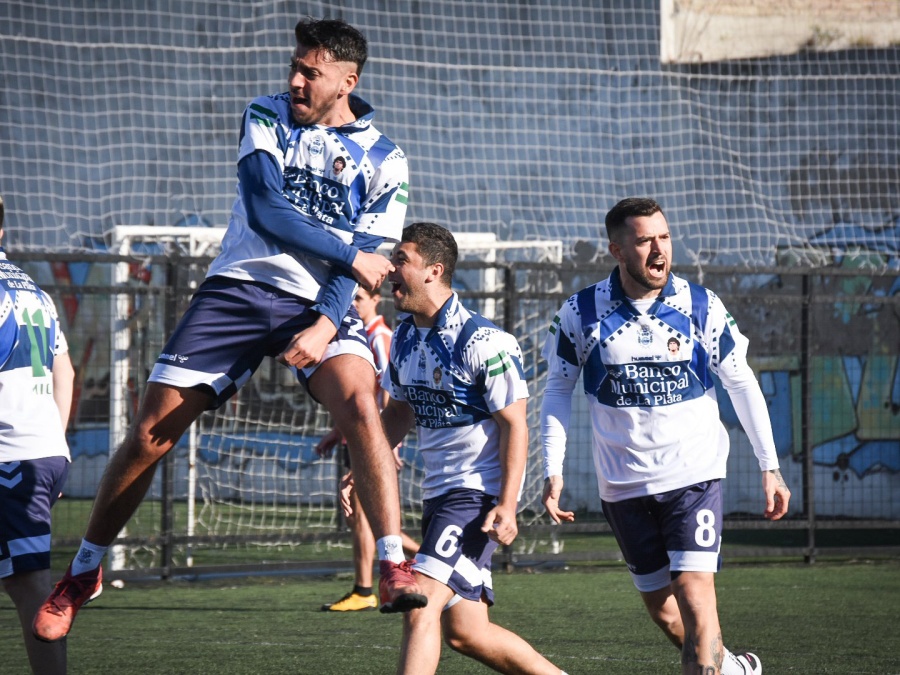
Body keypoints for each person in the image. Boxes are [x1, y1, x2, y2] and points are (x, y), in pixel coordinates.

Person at [33, 17, 427, 644]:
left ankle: (391, 563)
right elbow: (268, 213)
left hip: (318, 305)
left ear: (347, 80)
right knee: (150, 435)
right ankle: (82, 572)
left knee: (361, 402)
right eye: (295, 66)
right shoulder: (266, 115)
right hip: (238, 291)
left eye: (311, 72)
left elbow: (367, 261)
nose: (295, 79)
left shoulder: (387, 158)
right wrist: (350, 256)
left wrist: (328, 321)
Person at [540, 197, 791, 675]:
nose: (659, 250)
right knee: (664, 610)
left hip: (693, 477)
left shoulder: (700, 305)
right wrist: (553, 469)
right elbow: (556, 390)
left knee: (696, 599)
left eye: (664, 237)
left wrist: (769, 466)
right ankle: (734, 669)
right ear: (616, 249)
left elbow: (740, 382)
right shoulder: (581, 311)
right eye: (644, 240)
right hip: (623, 487)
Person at [379, 222, 568, 675]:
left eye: (401, 260)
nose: (389, 270)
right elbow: (399, 413)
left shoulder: (485, 342)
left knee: (418, 604)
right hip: (439, 497)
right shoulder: (404, 336)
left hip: (473, 499)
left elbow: (514, 426)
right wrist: (363, 468)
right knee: (468, 633)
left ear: (434, 270)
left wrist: (508, 504)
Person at [0, 195, 75, 674]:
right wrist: (59, 446)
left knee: (30, 585)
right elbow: (64, 372)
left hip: (11, 457)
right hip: (41, 448)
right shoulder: (33, 290)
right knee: (23, 582)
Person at [317, 285, 419, 612]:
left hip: (374, 442)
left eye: (359, 298)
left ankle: (365, 589)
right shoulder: (359, 335)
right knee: (363, 519)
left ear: (376, 300)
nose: (354, 304)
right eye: (351, 299)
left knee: (364, 518)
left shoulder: (380, 336)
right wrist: (337, 432)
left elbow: (389, 394)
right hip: (357, 437)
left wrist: (389, 446)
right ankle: (419, 563)